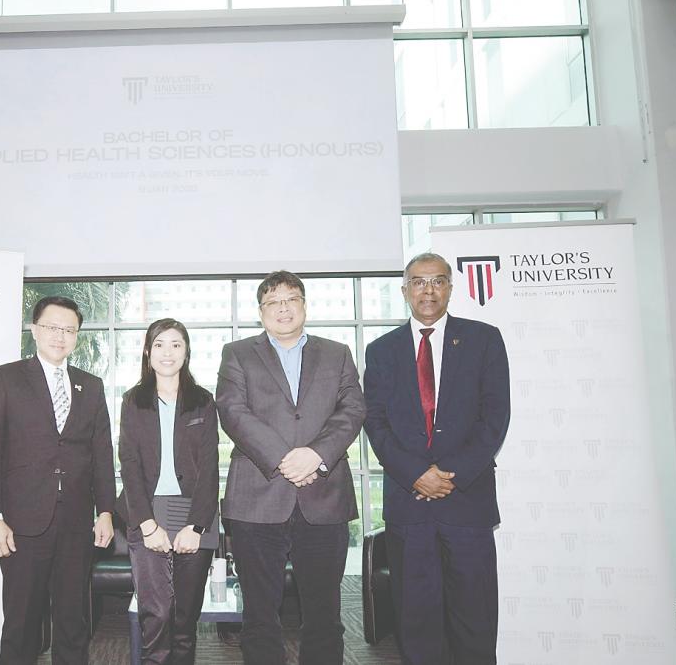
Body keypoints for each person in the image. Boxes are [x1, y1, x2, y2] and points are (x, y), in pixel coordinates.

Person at [363, 252, 511, 665]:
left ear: (449, 287)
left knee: (475, 616)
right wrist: (416, 475)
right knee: (416, 617)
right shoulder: (381, 350)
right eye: (419, 282)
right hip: (409, 505)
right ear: (405, 290)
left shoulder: (484, 338)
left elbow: (495, 416)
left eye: (437, 281)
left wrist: (451, 475)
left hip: (467, 501)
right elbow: (374, 421)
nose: (428, 290)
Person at [216, 270, 365, 665]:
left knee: (324, 615)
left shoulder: (337, 353)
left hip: (324, 497)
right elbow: (232, 411)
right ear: (260, 312)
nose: (282, 307)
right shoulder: (238, 353)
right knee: (260, 615)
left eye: (291, 299)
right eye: (273, 302)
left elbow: (353, 408)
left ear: (304, 306)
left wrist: (315, 455)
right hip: (257, 499)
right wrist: (286, 458)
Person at [0, 295, 116, 665]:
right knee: (21, 624)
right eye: (52, 327)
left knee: (73, 623)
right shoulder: (6, 378)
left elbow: (101, 454)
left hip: (75, 524)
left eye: (69, 330)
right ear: (34, 329)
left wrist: (106, 511)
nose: (60, 336)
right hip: (21, 524)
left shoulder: (92, 385)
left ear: (77, 336)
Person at [116, 318, 220, 665]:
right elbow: (128, 464)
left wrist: (197, 526)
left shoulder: (203, 401)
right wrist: (146, 523)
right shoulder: (133, 401)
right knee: (156, 616)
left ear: (186, 352)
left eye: (176, 344)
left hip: (194, 514)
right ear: (148, 351)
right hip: (148, 512)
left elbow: (209, 467)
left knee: (184, 620)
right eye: (159, 344)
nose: (168, 352)